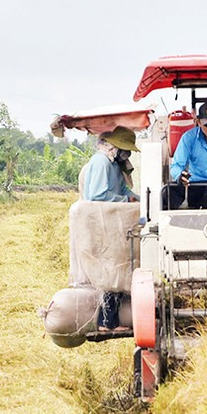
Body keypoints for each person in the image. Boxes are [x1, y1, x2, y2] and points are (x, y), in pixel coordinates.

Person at [82, 127, 139, 331]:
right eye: (126, 150)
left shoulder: (114, 165)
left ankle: (111, 321)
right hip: (101, 223)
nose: (128, 154)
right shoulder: (101, 162)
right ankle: (106, 323)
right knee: (110, 272)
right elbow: (98, 195)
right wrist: (125, 200)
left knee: (118, 269)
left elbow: (123, 190)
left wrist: (138, 199)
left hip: (112, 223)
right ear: (115, 147)